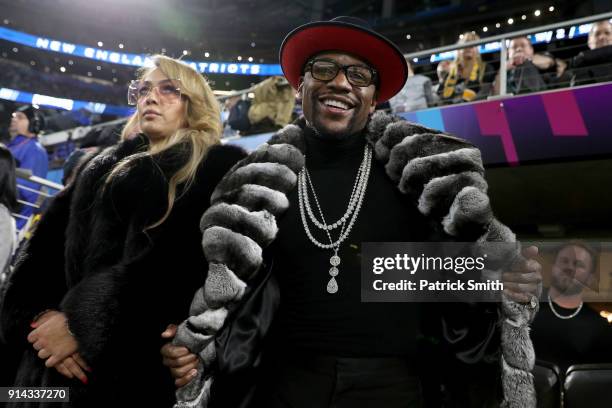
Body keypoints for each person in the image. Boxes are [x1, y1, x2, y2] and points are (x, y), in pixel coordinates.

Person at [161, 17, 542, 408]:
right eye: (324, 69)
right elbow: (223, 291)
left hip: (395, 385)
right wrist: (195, 342)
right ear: (300, 86)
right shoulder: (251, 183)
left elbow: (459, 278)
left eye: (358, 74)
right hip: (284, 384)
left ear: (374, 98)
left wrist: (505, 278)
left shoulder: (423, 173)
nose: (340, 83)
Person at [0, 55, 246, 407]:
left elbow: (178, 273)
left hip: (130, 378)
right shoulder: (95, 169)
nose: (150, 97)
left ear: (194, 103)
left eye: (169, 90)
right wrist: (39, 320)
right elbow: (36, 261)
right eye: (144, 89)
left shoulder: (215, 172)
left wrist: (78, 327)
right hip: (45, 376)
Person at [531, 241, 612, 375]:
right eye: (564, 261)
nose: (569, 268)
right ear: (553, 267)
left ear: (590, 277)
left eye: (579, 264)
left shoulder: (600, 327)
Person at [7, 105, 49, 230]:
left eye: (20, 117)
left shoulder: (35, 150)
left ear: (33, 124)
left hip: (13, 219)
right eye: (14, 116)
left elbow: (27, 190)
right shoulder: (13, 146)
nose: (14, 119)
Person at [493, 36, 568, 95]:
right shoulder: (504, 70)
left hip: (540, 98)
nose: (519, 49)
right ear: (508, 53)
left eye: (523, 46)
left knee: (525, 64)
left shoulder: (541, 58)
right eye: (514, 47)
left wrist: (525, 59)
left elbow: (549, 62)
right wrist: (502, 71)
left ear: (531, 49)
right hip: (511, 105)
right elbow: (496, 95)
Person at [441, 32, 495, 104]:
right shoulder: (451, 70)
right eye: (466, 44)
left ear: (477, 50)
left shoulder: (486, 68)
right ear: (459, 49)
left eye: (473, 45)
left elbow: (485, 93)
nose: (469, 47)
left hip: (475, 110)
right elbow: (441, 95)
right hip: (449, 111)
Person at [570, 20, 612, 86]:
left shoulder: (580, 59)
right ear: (589, 41)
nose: (602, 37)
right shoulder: (580, 63)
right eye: (597, 34)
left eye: (607, 33)